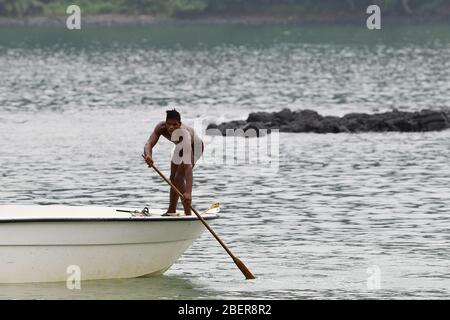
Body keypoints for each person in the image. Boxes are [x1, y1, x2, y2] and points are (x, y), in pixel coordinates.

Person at [143, 109, 204, 216]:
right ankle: (171, 210)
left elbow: (188, 167)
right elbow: (149, 143)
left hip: (196, 147)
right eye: (169, 124)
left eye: (175, 125)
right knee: (173, 178)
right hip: (179, 147)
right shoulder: (161, 128)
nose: (171, 127)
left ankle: (188, 213)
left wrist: (188, 193)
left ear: (180, 124)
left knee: (179, 178)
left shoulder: (185, 135)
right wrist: (148, 155)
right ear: (165, 123)